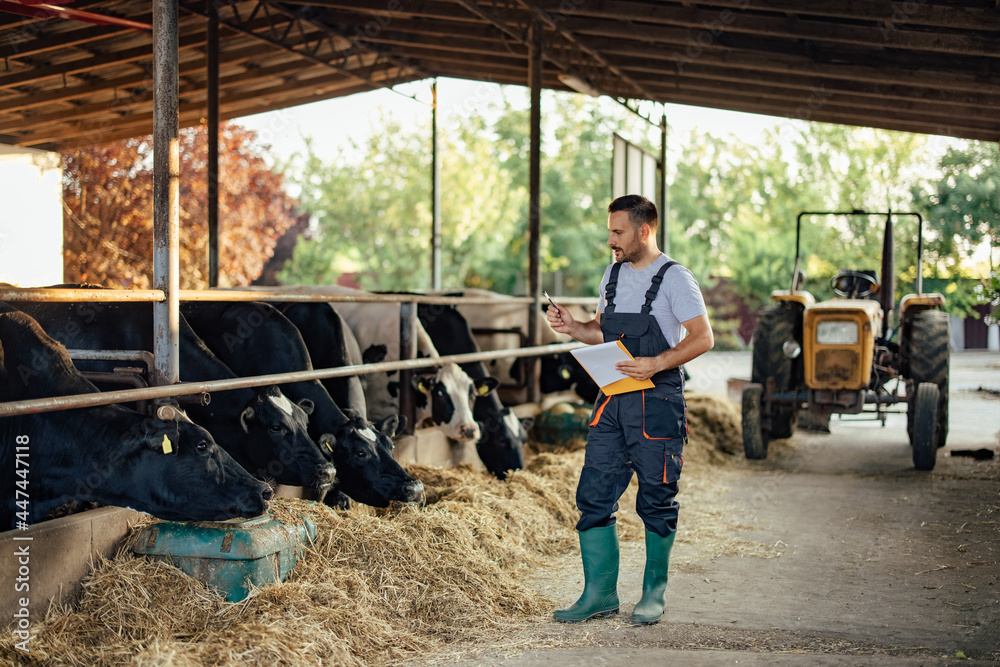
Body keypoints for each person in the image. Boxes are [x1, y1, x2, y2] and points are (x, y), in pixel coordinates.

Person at [545, 194, 714, 625]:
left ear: (644, 230)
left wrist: (655, 363)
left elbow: (703, 337)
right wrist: (572, 326)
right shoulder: (612, 275)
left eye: (617, 232)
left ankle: (653, 593)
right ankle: (598, 595)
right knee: (594, 498)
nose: (610, 240)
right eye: (609, 231)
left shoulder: (676, 278)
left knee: (656, 500)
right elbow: (599, 332)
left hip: (656, 405)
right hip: (611, 402)